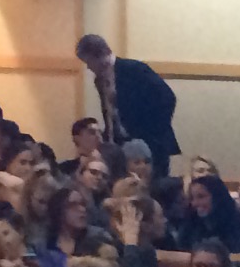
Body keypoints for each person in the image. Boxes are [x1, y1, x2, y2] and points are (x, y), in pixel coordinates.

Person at [75, 33, 178, 167]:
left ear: (100, 55)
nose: (88, 67)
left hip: (149, 145)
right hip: (120, 145)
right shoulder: (99, 80)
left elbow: (167, 98)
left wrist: (151, 131)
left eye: (89, 62)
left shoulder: (134, 70)